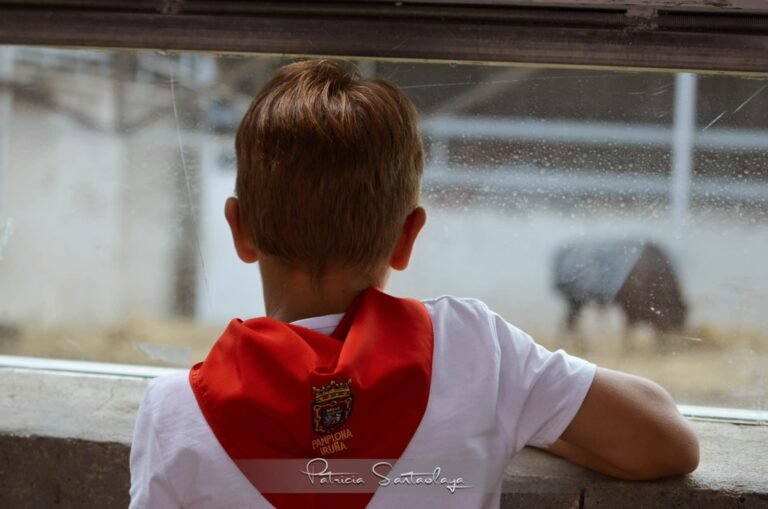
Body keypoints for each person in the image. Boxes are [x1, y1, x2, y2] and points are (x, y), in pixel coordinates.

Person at [129, 59, 699, 509]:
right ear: (407, 237)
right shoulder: (476, 352)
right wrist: (519, 415)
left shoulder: (175, 414)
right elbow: (667, 441)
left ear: (239, 230)